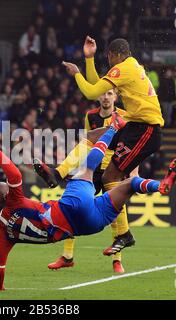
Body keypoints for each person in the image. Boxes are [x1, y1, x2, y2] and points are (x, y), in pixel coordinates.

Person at [0, 112, 176, 290]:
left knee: (129, 184)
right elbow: (14, 174)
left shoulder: (3, 235)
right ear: (3, 196)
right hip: (72, 207)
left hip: (88, 226)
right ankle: (113, 130)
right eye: (4, 186)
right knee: (86, 168)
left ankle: (160, 186)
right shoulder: (13, 201)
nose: (7, 186)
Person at [52, 37, 164, 256]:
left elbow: (91, 92)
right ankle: (58, 172)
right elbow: (98, 87)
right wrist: (89, 59)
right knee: (93, 137)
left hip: (146, 128)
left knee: (112, 177)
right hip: (135, 125)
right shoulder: (131, 67)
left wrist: (76, 72)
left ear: (115, 54)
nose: (109, 61)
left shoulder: (124, 68)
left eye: (108, 57)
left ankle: (125, 232)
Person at [36, 89, 136, 273]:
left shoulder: (123, 116)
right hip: (94, 168)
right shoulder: (90, 116)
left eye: (110, 93)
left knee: (115, 215)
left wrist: (132, 169)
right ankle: (67, 256)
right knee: (72, 208)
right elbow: (88, 141)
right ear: (98, 96)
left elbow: (132, 145)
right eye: (103, 94)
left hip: (114, 169)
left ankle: (117, 260)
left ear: (115, 97)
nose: (106, 97)